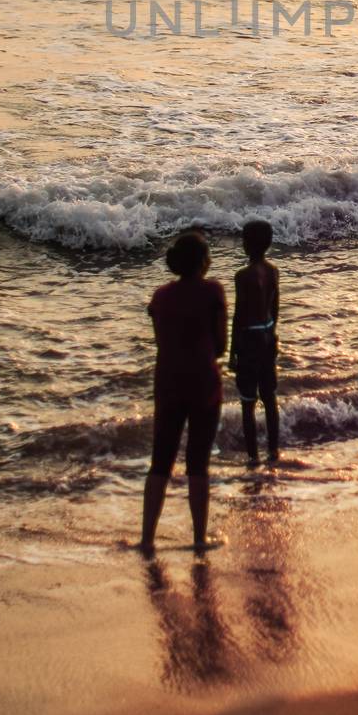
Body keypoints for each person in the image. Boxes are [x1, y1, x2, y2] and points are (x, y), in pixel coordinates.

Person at [139, 230, 227, 555]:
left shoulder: (160, 297)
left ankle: (147, 538)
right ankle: (199, 539)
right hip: (203, 381)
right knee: (198, 463)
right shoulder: (213, 291)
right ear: (203, 263)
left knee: (160, 460)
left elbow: (161, 340)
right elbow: (221, 346)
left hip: (168, 381)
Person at [229, 219, 281, 466]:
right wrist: (272, 333)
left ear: (246, 245)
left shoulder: (242, 276)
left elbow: (239, 315)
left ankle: (252, 455)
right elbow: (275, 307)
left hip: (249, 341)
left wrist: (232, 351)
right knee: (269, 398)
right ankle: (273, 450)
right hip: (267, 337)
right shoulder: (273, 270)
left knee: (248, 403)